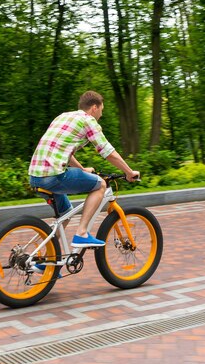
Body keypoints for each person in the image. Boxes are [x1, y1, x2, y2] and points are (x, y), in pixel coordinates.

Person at [28, 90, 139, 248]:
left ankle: (45, 262)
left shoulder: (64, 116)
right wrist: (129, 172)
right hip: (53, 175)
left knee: (65, 213)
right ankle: (81, 233)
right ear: (94, 107)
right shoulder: (88, 120)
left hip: (35, 176)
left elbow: (64, 153)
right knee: (100, 184)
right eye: (101, 110)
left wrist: (81, 169)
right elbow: (107, 151)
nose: (101, 114)